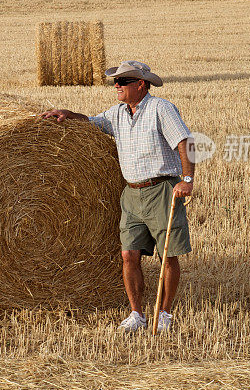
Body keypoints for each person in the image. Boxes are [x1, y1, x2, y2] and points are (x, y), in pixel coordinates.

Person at [40, 60, 194, 332]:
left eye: (123, 81)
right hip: (131, 194)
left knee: (168, 256)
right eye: (115, 82)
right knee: (128, 255)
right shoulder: (118, 113)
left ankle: (165, 313)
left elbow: (186, 142)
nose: (117, 86)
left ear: (141, 84)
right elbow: (91, 122)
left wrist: (187, 180)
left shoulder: (161, 109)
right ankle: (137, 314)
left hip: (161, 190)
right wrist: (68, 114)